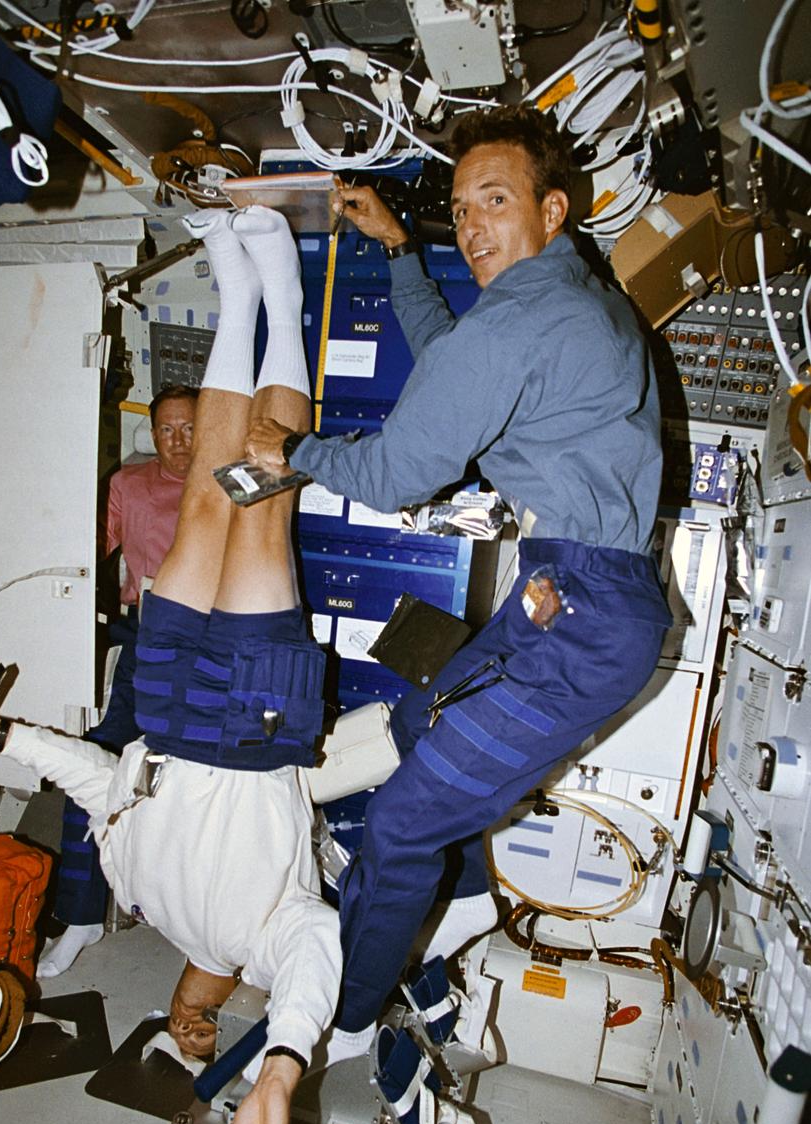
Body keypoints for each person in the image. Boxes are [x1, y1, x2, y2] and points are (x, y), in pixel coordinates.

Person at [244, 105, 673, 1052]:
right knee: (411, 725)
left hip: (585, 615)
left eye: (494, 201)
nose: (471, 226)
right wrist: (403, 252)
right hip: (570, 591)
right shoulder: (571, 297)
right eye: (460, 208)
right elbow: (457, 363)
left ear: (552, 209)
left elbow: (399, 477)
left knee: (398, 828)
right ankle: (461, 914)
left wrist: (297, 451)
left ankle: (341, 1025)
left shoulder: (520, 322)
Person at [0, 206, 342, 1124]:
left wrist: (6, 740)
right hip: (255, 724)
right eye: (198, 1022)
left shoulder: (146, 893)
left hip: (172, 709)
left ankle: (233, 287)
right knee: (262, 492)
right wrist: (279, 1059)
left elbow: (99, 783)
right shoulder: (257, 939)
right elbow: (317, 950)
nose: (187, 1015)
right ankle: (278, 282)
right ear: (221, 1001)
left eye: (180, 1020)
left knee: (206, 506)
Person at [39, 384, 199, 979]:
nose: (178, 441)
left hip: (213, 641)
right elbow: (82, 552)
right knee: (95, 761)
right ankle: (80, 915)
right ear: (151, 434)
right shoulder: (129, 487)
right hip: (144, 635)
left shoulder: (230, 484)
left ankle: (199, 926)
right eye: (166, 430)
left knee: (205, 781)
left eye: (189, 428)